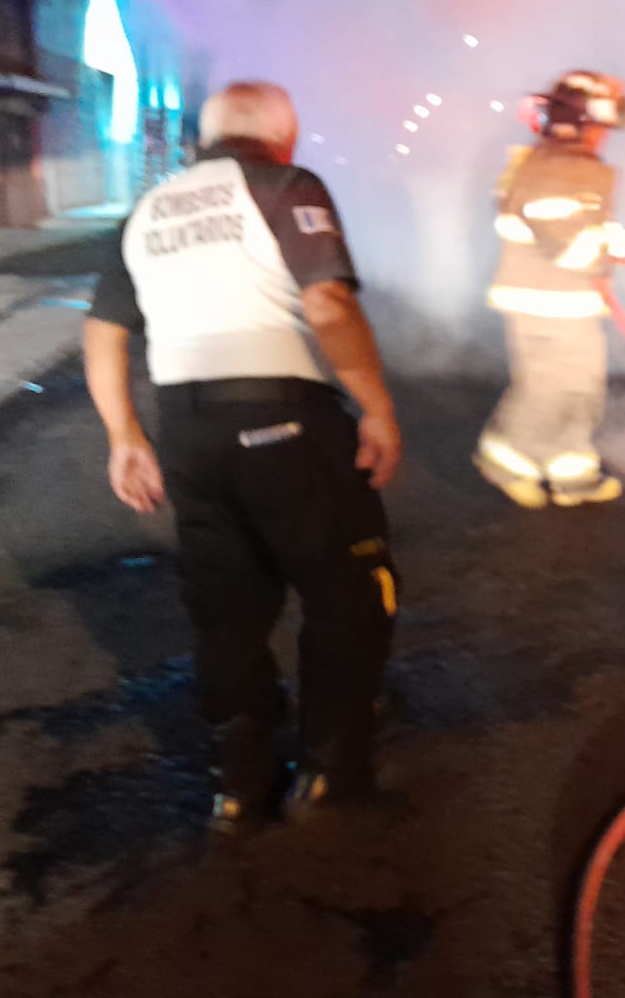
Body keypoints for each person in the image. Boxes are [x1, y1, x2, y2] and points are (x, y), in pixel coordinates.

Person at [83, 80, 403, 834]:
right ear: (282, 136)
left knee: (227, 612)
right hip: (282, 418)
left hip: (188, 433)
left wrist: (126, 437)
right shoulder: (286, 184)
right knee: (350, 588)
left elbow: (103, 332)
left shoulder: (148, 209)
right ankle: (331, 771)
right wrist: (378, 408)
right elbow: (328, 305)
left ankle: (238, 788)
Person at [474, 70, 625, 510]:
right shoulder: (566, 170)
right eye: (603, 127)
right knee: (554, 389)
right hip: (550, 302)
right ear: (582, 123)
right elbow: (570, 243)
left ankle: (571, 473)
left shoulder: (552, 165)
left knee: (578, 388)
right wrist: (609, 255)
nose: (606, 137)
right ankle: (505, 460)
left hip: (555, 300)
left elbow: (586, 226)